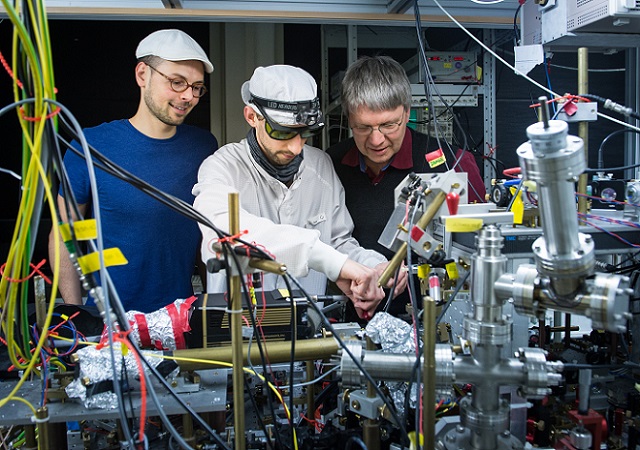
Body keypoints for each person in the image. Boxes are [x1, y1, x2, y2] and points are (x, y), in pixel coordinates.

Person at [192, 65, 406, 319]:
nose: (295, 147)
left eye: (305, 133)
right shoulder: (222, 168)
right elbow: (227, 235)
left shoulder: (320, 166)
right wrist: (334, 264)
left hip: (308, 335)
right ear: (252, 116)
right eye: (283, 131)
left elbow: (338, 242)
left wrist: (372, 266)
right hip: (241, 333)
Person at [48, 29, 218, 313]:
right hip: (108, 324)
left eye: (197, 86)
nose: (188, 95)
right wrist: (75, 313)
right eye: (177, 82)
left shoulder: (203, 146)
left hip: (182, 319)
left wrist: (214, 305)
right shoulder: (91, 144)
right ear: (142, 75)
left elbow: (206, 234)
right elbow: (65, 234)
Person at [327, 55, 467, 318]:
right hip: (348, 317)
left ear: (407, 112)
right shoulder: (330, 166)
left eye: (389, 125)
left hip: (432, 321)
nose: (377, 140)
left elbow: (472, 252)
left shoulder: (449, 163)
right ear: (348, 119)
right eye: (363, 127)